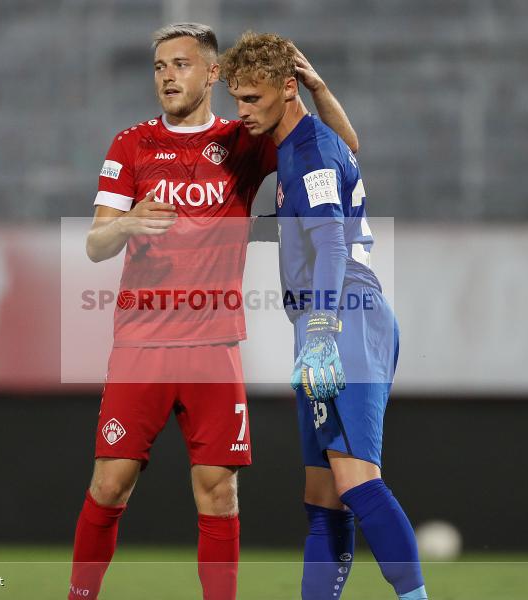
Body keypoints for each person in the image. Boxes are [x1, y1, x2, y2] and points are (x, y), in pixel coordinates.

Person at [70, 23, 358, 600]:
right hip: (141, 344)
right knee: (109, 484)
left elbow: (340, 147)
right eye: (159, 67)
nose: (167, 77)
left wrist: (318, 88)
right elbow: (96, 244)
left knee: (218, 493)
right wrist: (129, 222)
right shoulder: (131, 144)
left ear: (212, 73)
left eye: (180, 64)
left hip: (214, 345)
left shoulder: (242, 139)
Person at [221, 32, 429, 600]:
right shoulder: (306, 142)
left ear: (286, 89)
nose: (242, 112)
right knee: (323, 497)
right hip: (323, 320)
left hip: (343, 317)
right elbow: (352, 144)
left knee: (357, 482)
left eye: (252, 98)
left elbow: (333, 246)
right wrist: (319, 87)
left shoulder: (309, 153)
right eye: (237, 99)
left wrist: (320, 332)